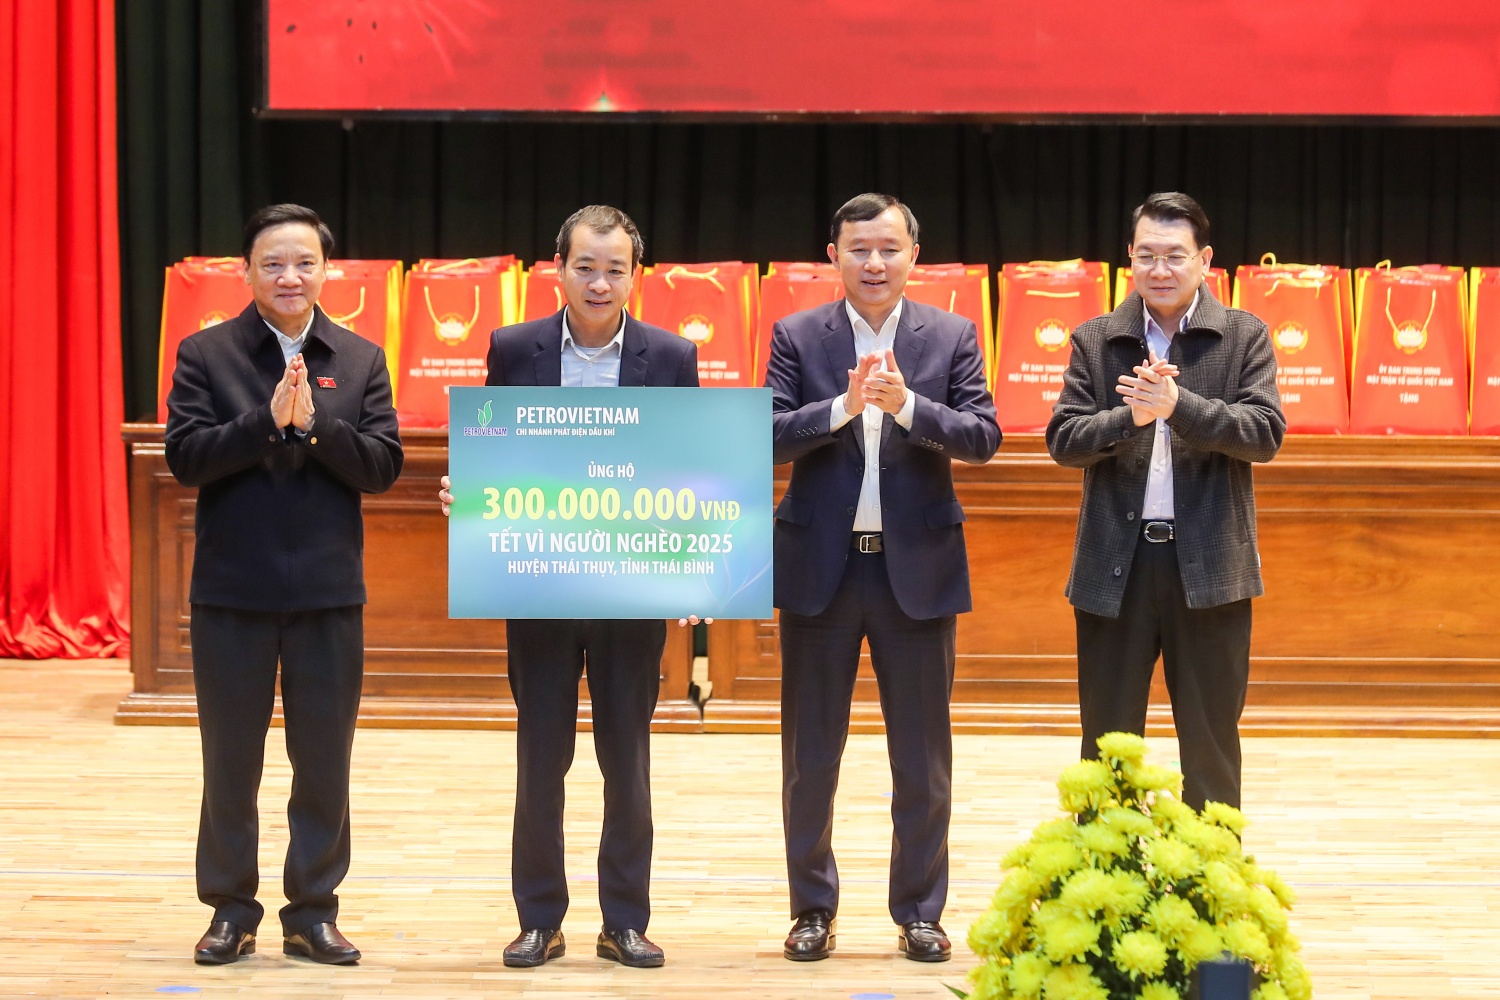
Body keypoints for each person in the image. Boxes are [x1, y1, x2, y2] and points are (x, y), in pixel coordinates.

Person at [438, 206, 697, 969]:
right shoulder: (512, 348)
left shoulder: (670, 356)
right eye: (586, 267)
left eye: (615, 269)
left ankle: (625, 921)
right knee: (539, 759)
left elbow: (690, 469)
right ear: (558, 268)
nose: (599, 282)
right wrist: (470, 493)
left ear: (635, 275)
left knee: (628, 762)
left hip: (631, 592)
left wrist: (693, 564)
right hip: (540, 586)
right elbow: (494, 455)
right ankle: (539, 919)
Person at [164, 204, 403, 965]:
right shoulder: (206, 353)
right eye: (273, 263)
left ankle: (312, 911)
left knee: (324, 762)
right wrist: (266, 423)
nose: (289, 276)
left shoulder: (359, 358)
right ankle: (230, 909)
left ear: (326, 270)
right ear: (247, 272)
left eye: (304, 262)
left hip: (328, 594)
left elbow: (383, 467)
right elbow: (186, 457)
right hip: (232, 591)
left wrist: (316, 426)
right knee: (230, 763)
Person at [765, 193, 1000, 963]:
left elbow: (984, 436)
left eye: (889, 248)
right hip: (821, 573)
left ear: (913, 256)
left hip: (917, 573)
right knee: (810, 758)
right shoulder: (798, 335)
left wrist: (911, 408)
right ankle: (812, 910)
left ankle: (920, 912)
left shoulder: (952, 334)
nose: (874, 262)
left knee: (922, 759)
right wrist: (839, 408)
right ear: (833, 254)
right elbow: (764, 436)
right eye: (859, 248)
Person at [1046, 191, 1285, 810]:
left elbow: (1264, 434)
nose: (1160, 269)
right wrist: (1128, 417)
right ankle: (1103, 867)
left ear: (1204, 260)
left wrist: (1180, 408)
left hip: (1211, 569)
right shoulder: (1097, 339)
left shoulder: (1244, 336)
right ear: (1129, 257)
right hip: (1114, 567)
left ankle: (1211, 870)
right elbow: (1063, 441)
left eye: (1175, 256)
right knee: (1106, 745)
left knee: (1210, 743)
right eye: (1147, 255)